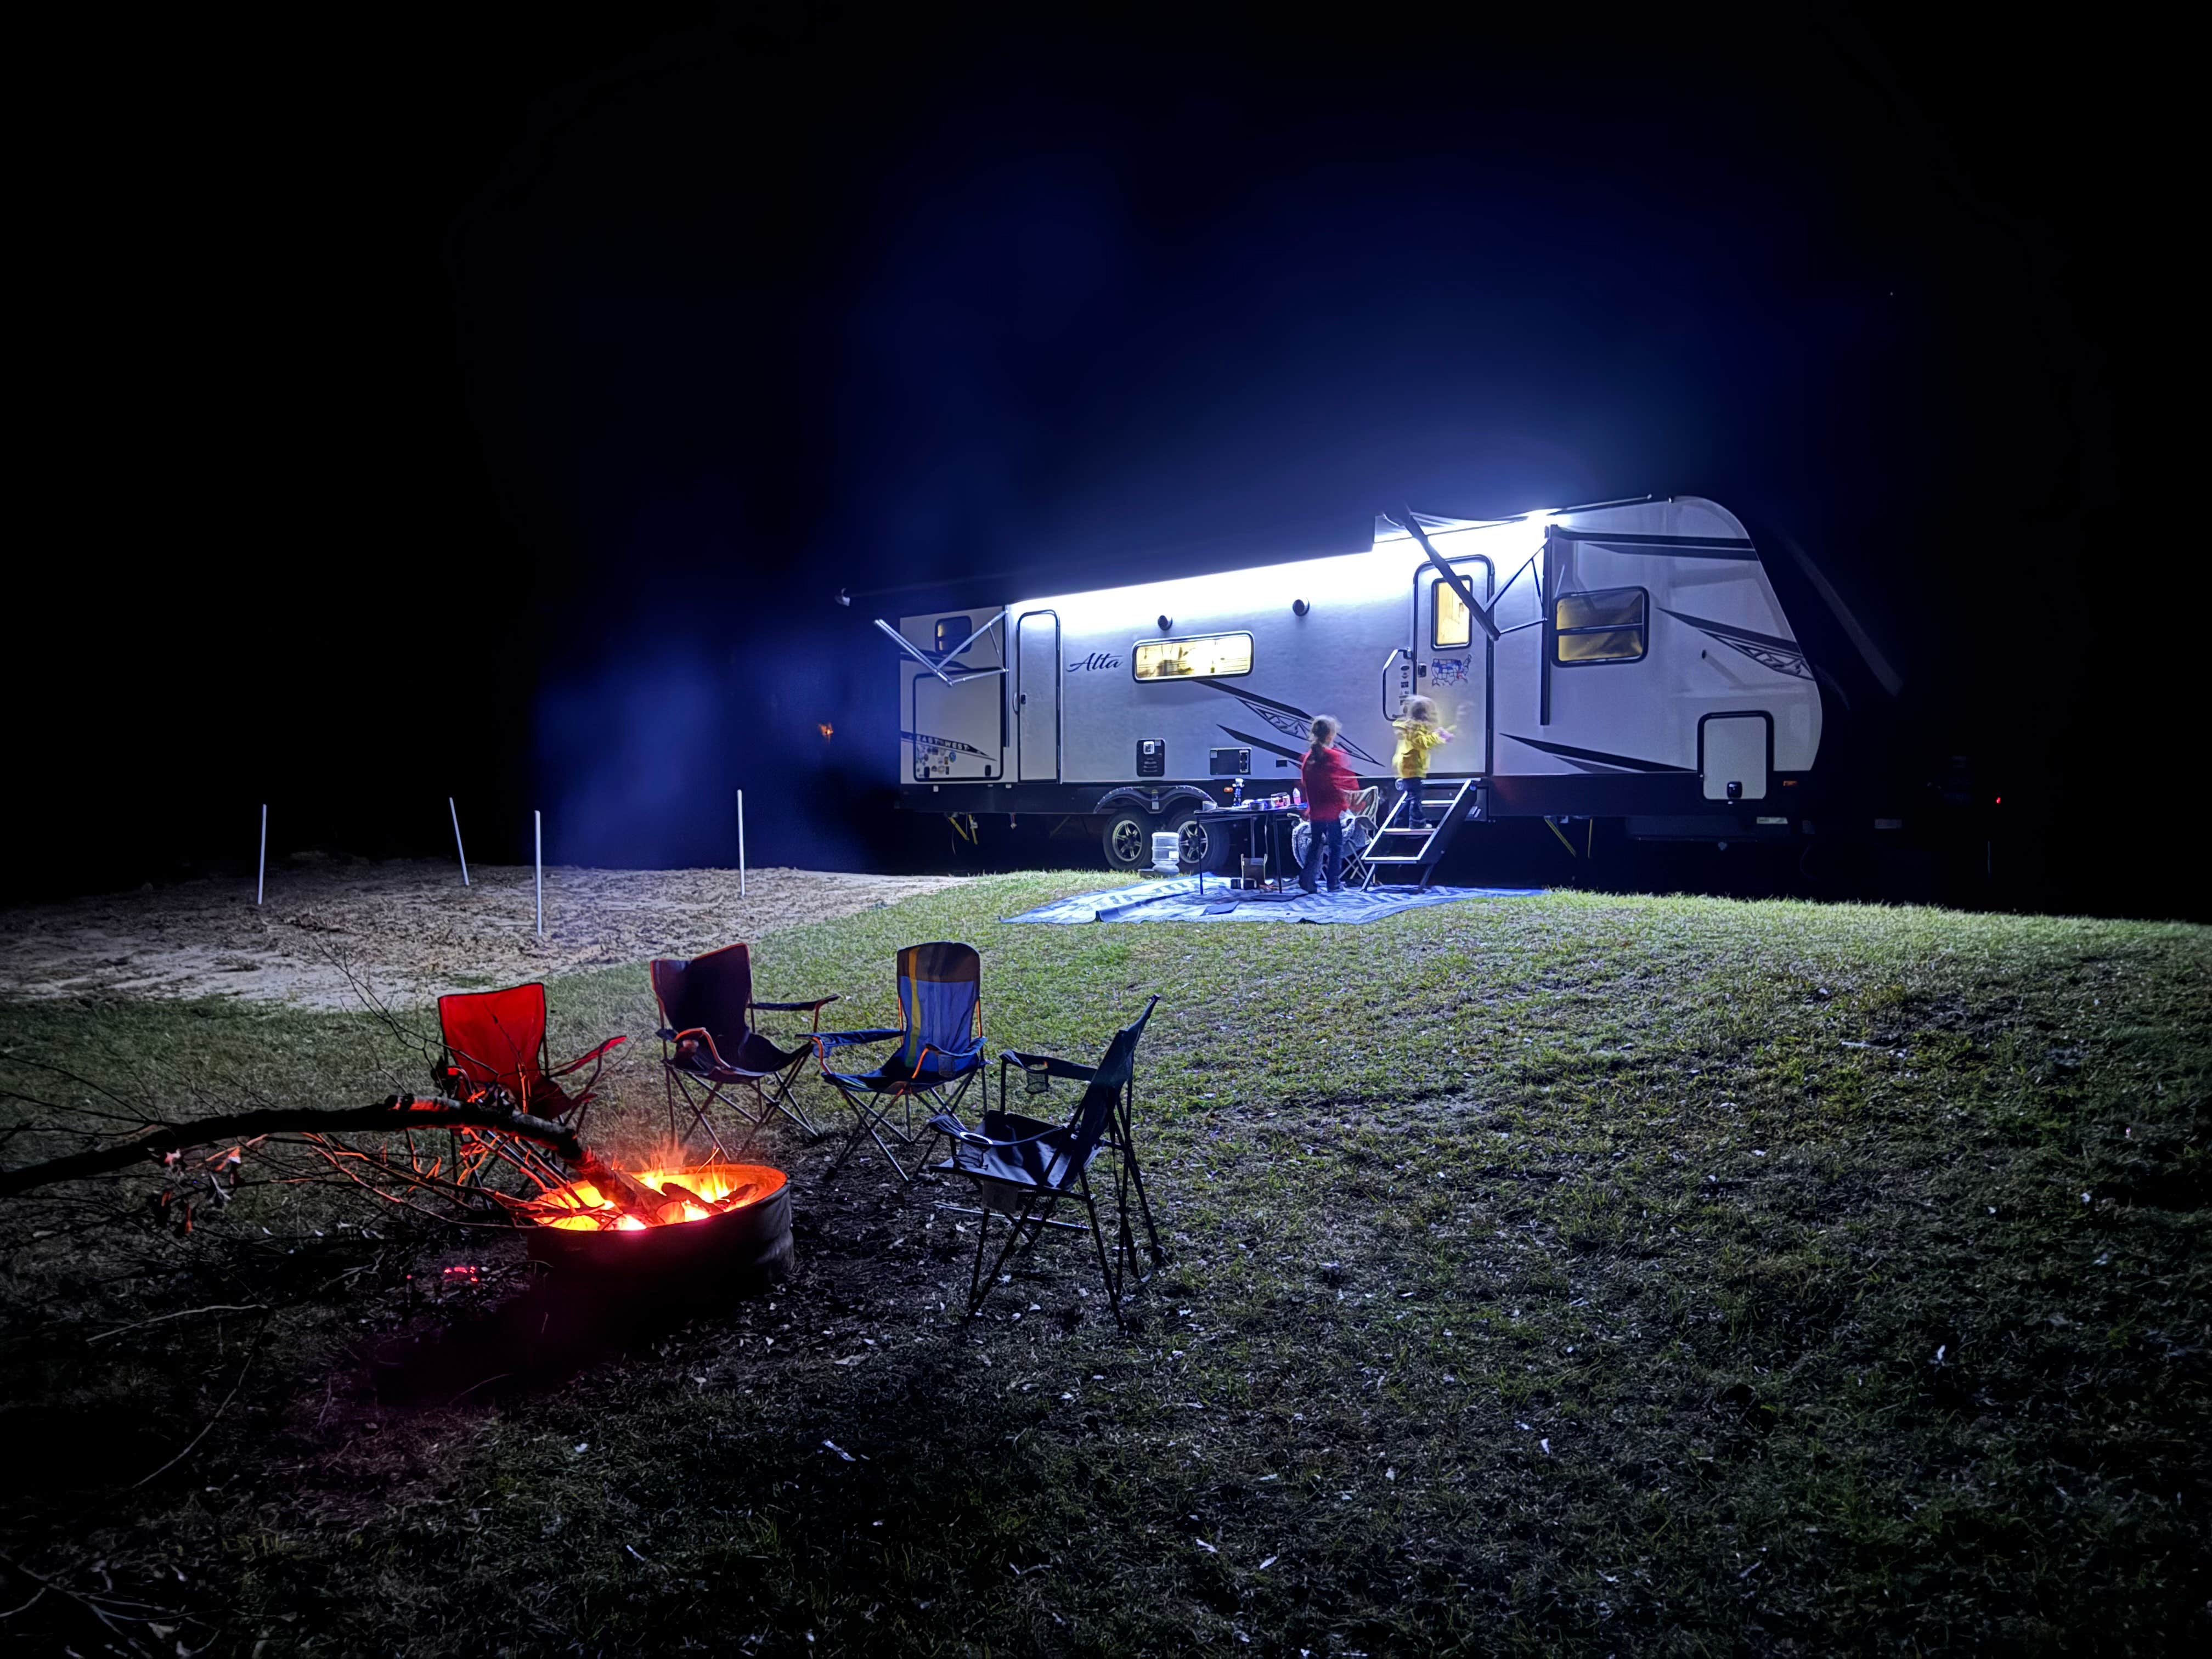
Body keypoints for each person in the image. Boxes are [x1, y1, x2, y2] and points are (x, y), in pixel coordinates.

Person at [1298, 714, 1359, 893]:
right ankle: (1333, 883)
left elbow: (1305, 783)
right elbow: (1340, 783)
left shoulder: (1309, 758)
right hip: (1331, 810)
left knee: (1316, 845)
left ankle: (1307, 880)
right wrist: (1345, 805)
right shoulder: (1333, 757)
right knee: (1336, 846)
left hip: (1317, 810)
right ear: (1330, 735)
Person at [1390, 695, 1453, 825]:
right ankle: (1417, 822)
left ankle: (1400, 822)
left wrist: (1441, 739)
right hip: (1412, 767)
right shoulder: (1414, 728)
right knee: (1415, 797)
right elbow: (1422, 743)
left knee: (1410, 796)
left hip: (1409, 766)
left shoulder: (1412, 727)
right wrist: (1436, 736)